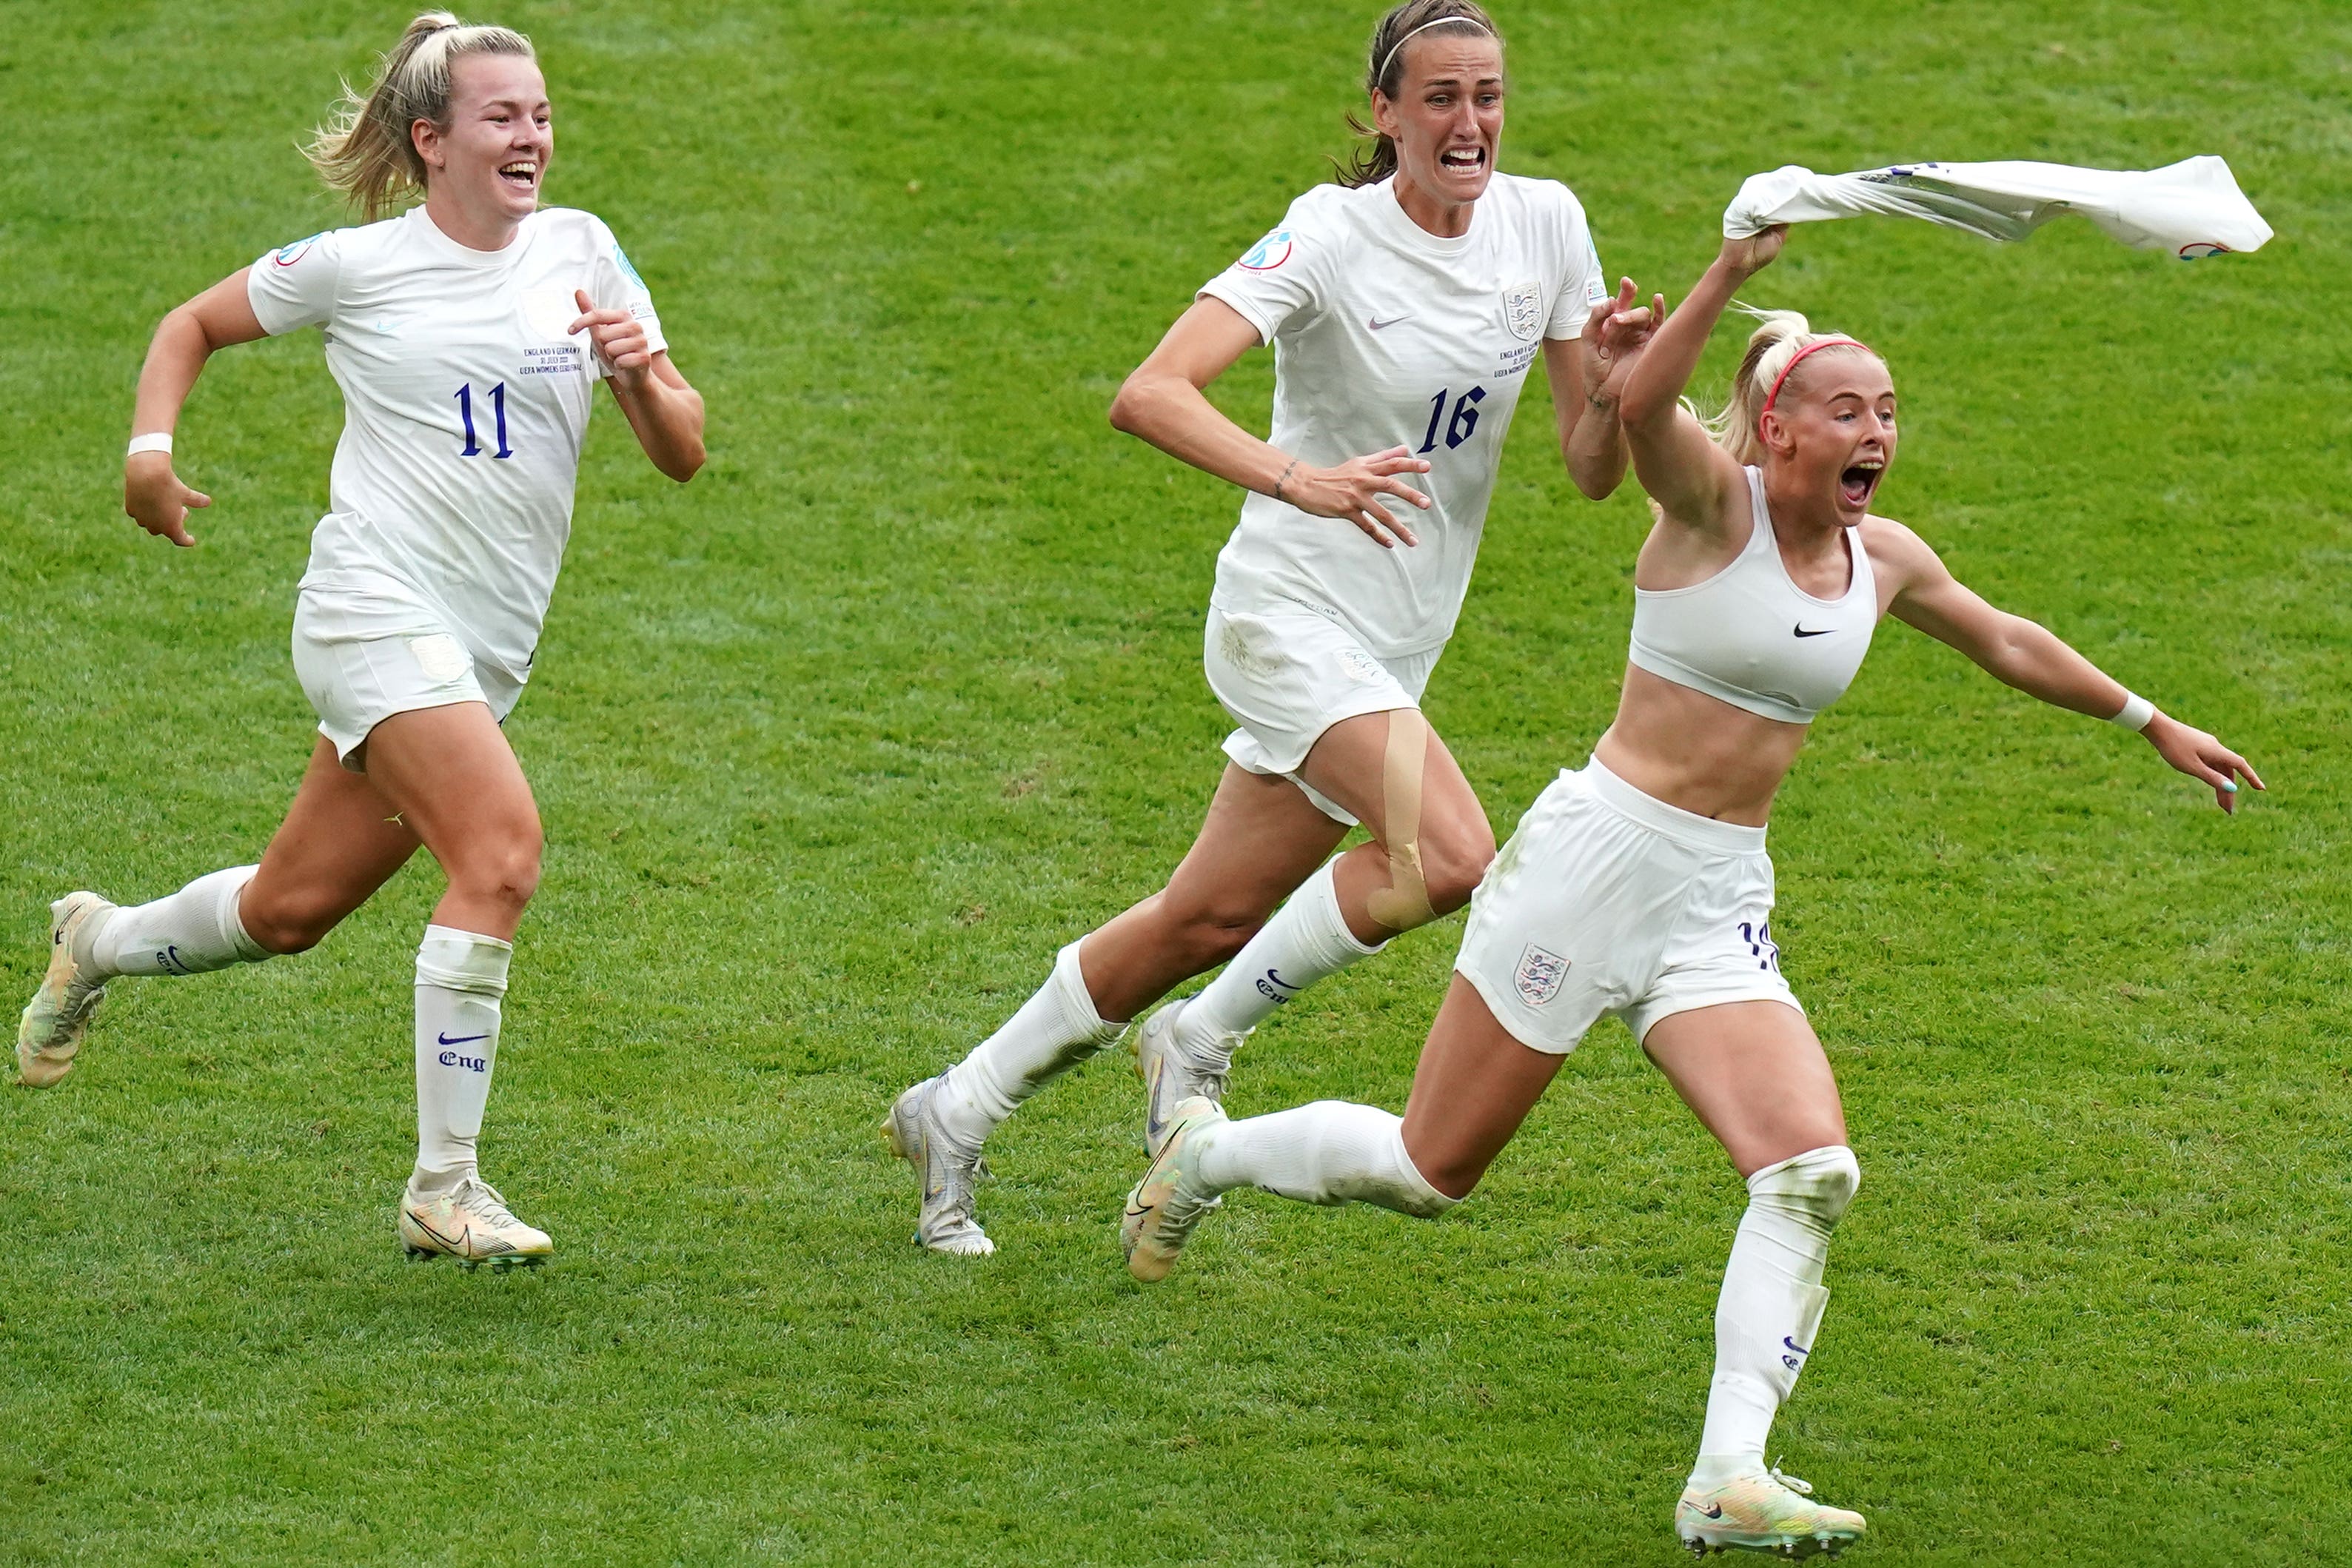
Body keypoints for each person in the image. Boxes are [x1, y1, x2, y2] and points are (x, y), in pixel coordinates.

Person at [1119, 221, 2261, 1556]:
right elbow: (1638, 407)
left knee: (1807, 1170)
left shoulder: (1879, 557)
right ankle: (1208, 1154)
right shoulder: (1710, 507)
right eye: (1846, 408)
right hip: (1589, 868)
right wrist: (1727, 276)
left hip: (1716, 893)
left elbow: (2001, 635)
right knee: (1434, 1171)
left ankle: (1728, 1472)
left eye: (1887, 411)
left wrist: (2149, 720)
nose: (1875, 430)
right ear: (1775, 427)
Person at [885, 0, 1653, 1256]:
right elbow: (1151, 392)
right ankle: (1199, 1040)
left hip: (1395, 639)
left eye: (1489, 96)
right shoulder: (1329, 236)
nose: (1472, 125)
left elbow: (1586, 469)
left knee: (1202, 920)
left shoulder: (1546, 223)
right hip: (1285, 616)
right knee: (1448, 850)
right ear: (1384, 115)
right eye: (1443, 99)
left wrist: (1615, 391)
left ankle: (952, 1108)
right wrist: (1302, 480)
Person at [15, 12, 706, 1270]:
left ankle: (94, 939)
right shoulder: (355, 265)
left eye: (541, 114)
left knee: (289, 910)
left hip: (479, 659)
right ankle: (445, 1186)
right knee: (499, 854)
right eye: (503, 117)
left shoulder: (583, 251)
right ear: (431, 141)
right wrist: (149, 455)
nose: (532, 136)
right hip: (370, 614)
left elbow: (685, 452)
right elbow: (191, 326)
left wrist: (639, 379)